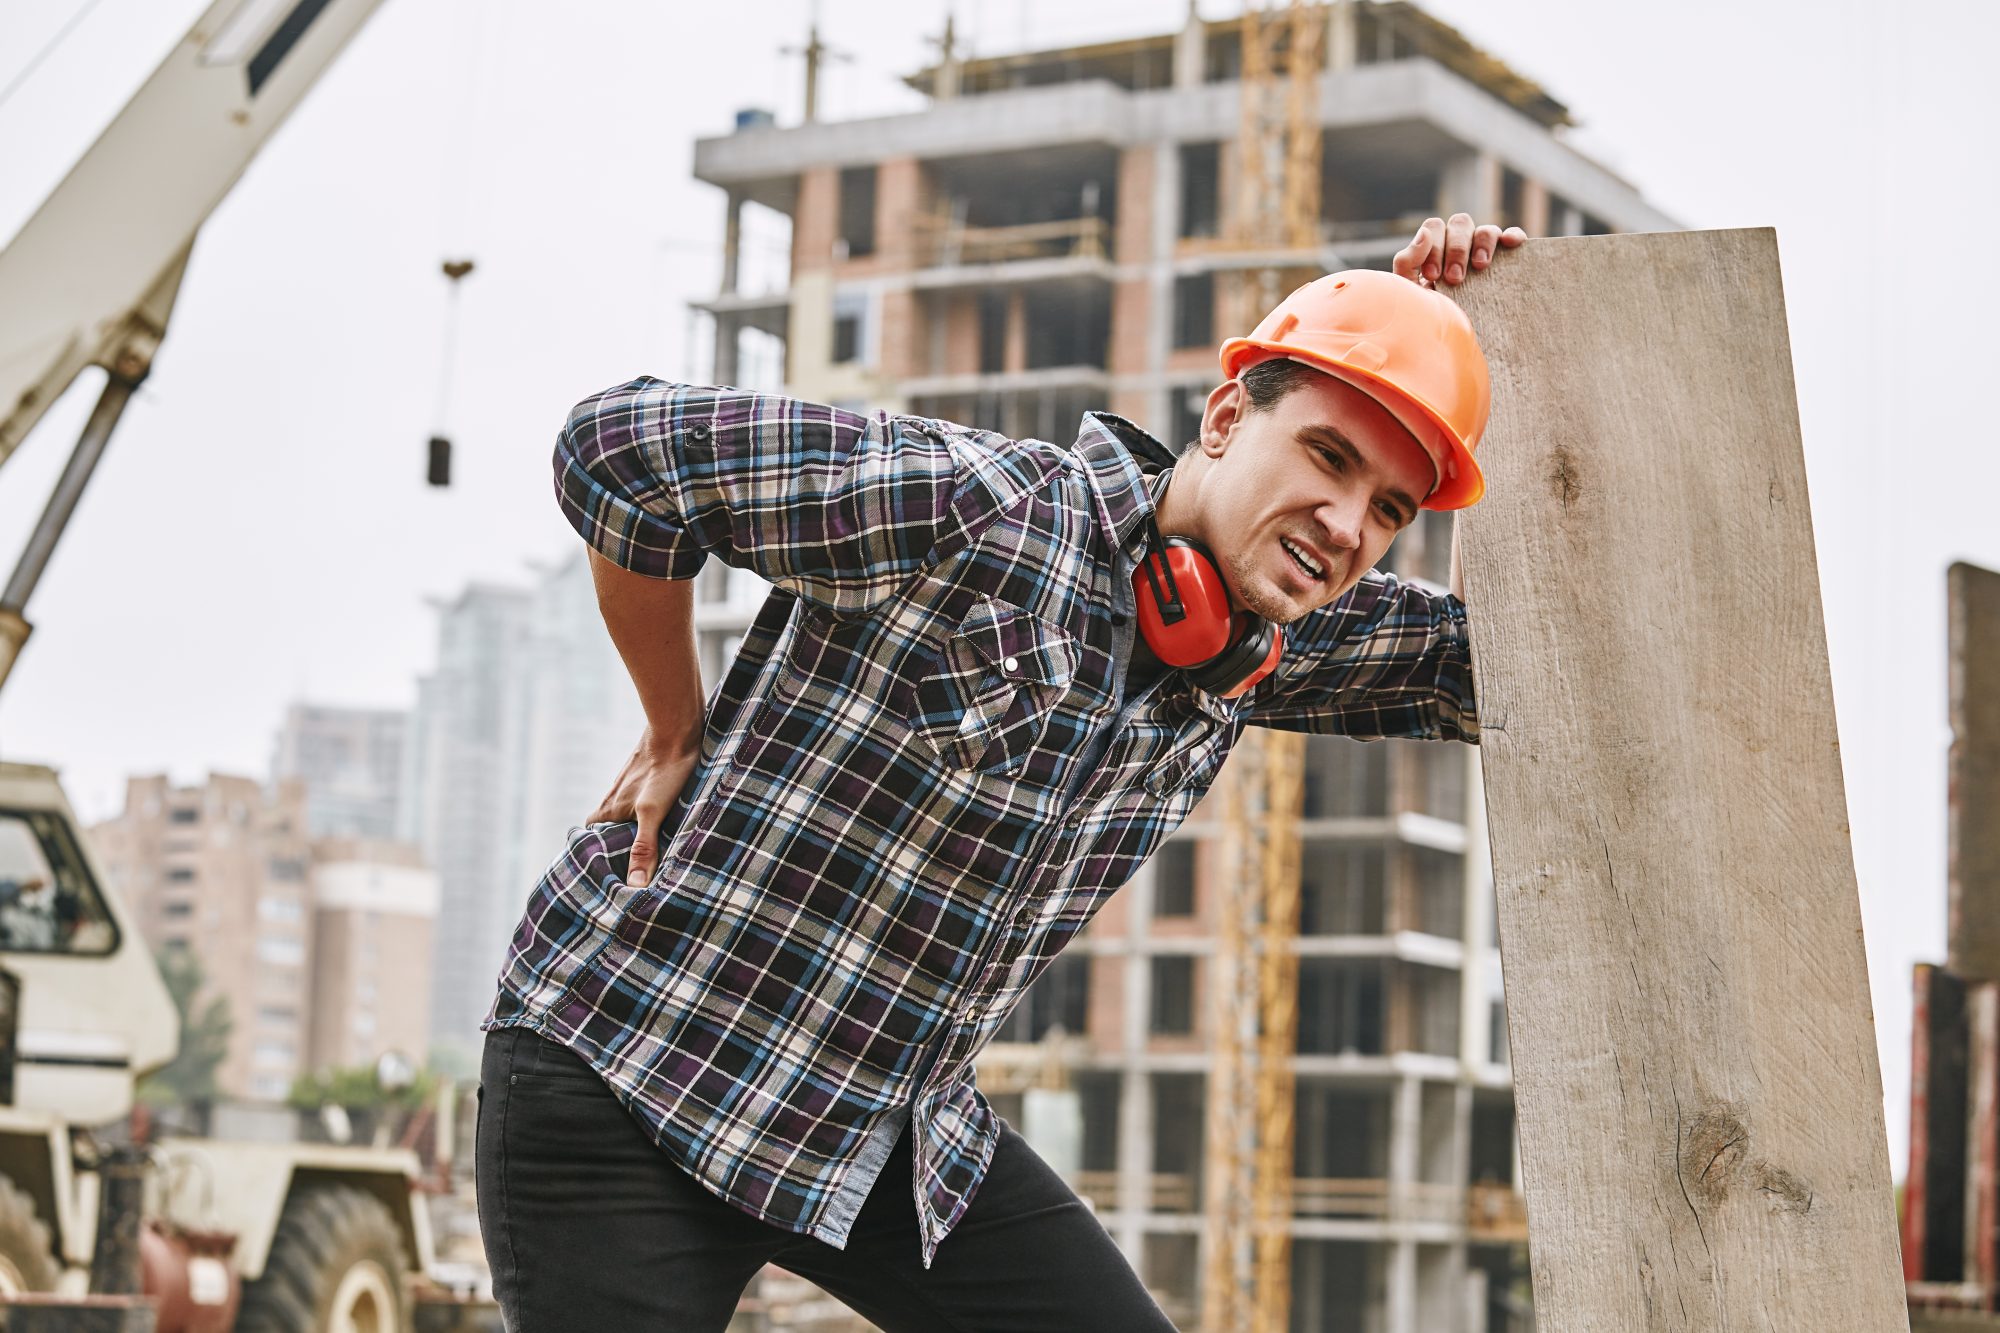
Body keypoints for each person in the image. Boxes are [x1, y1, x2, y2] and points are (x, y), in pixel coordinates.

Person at [476, 215, 1525, 1330]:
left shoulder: (1264, 642)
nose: (1345, 521)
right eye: (1327, 455)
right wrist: (672, 723)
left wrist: (1484, 335)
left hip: (878, 1128)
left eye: (1389, 509)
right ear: (1224, 419)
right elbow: (622, 450)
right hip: (630, 1069)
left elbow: (1498, 664)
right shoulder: (981, 506)